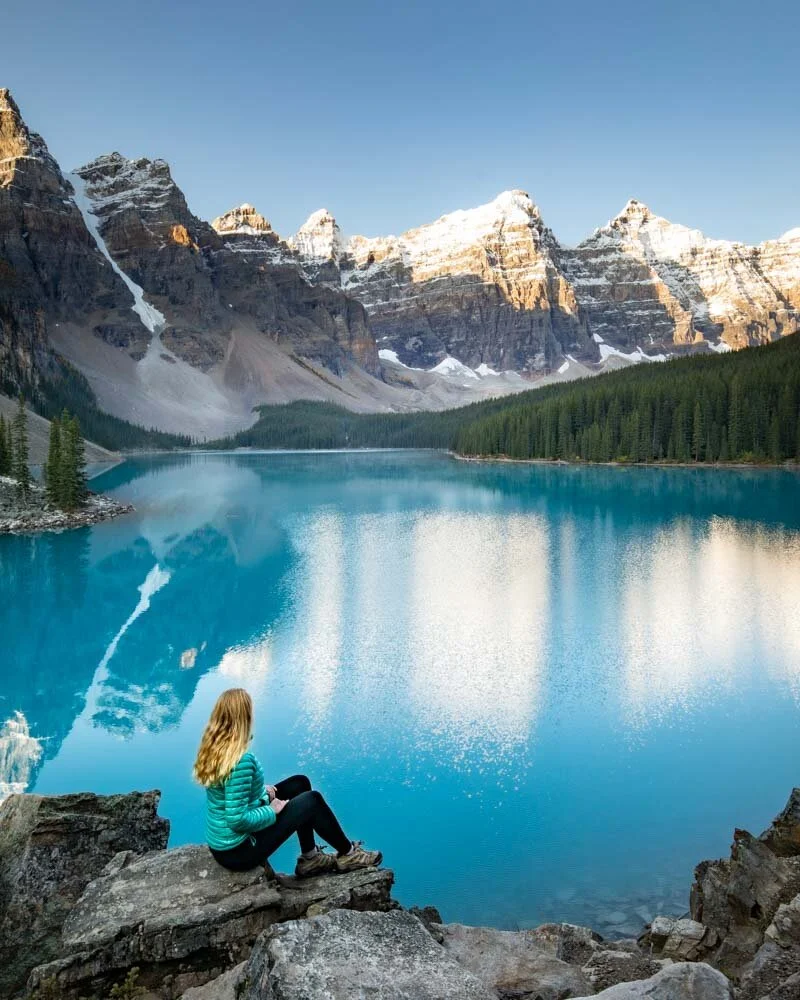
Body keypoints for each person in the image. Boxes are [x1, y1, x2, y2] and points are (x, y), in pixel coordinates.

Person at [194, 687, 382, 877]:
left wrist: (262, 794)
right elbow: (236, 820)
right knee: (312, 801)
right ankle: (349, 854)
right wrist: (271, 810)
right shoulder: (239, 760)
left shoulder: (216, 748)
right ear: (244, 718)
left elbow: (232, 794)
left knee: (299, 784)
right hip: (239, 850)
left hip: (225, 844)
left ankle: (310, 858)